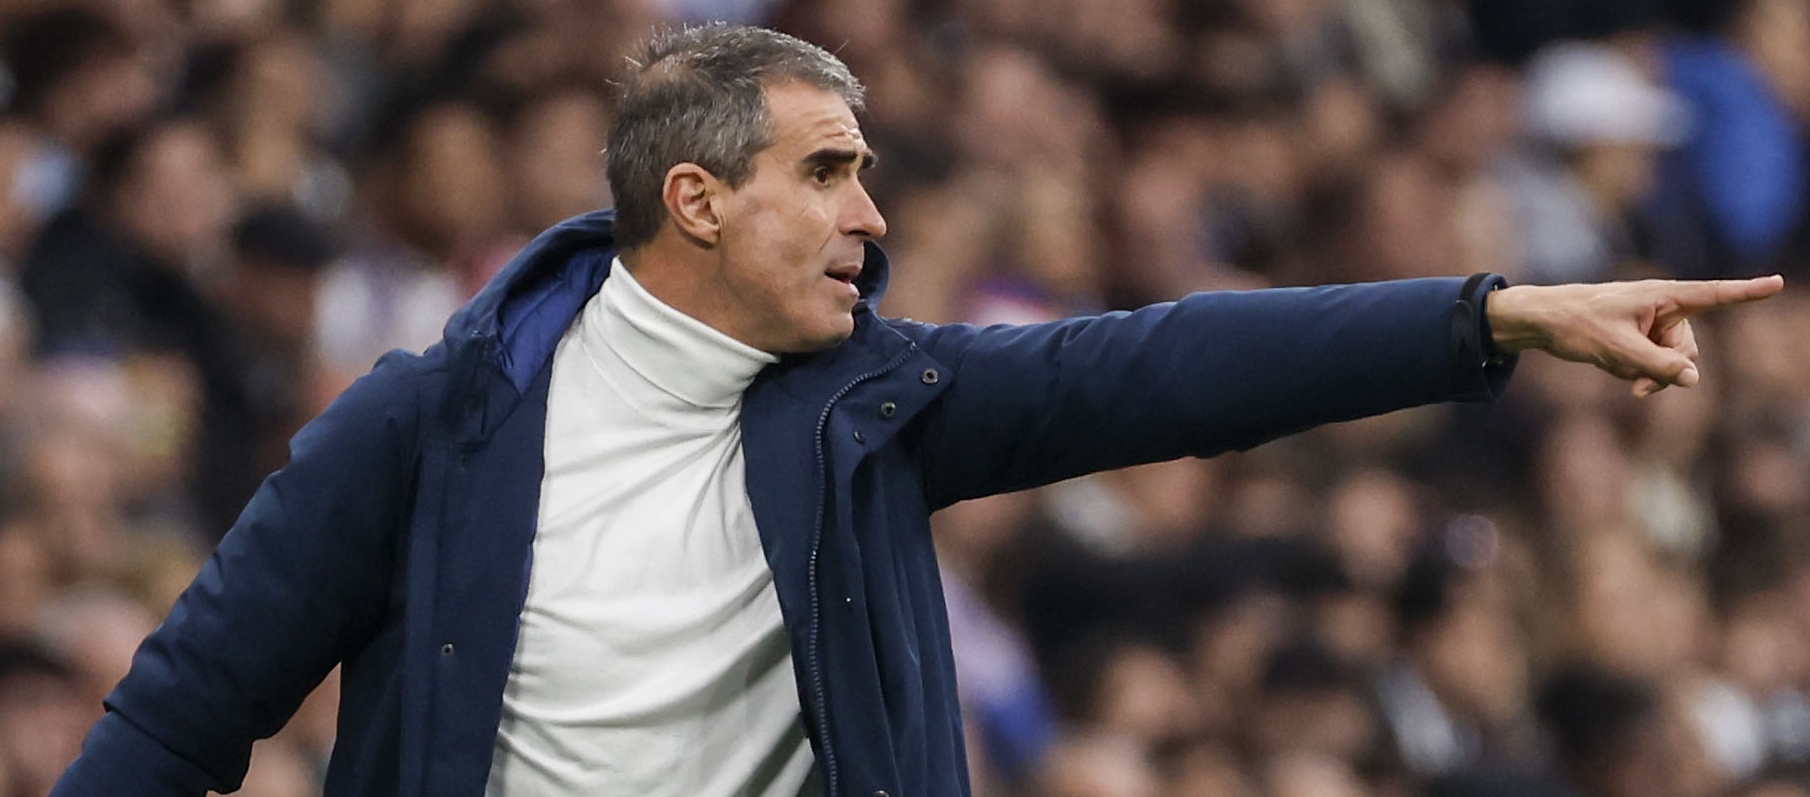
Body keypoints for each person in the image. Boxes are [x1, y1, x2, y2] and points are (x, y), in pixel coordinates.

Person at [50, 23, 1783, 797]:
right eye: (828, 171)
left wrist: (1479, 317)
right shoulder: (427, 425)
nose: (875, 214)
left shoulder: (884, 404)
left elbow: (1167, 367)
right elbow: (181, 714)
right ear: (696, 203)